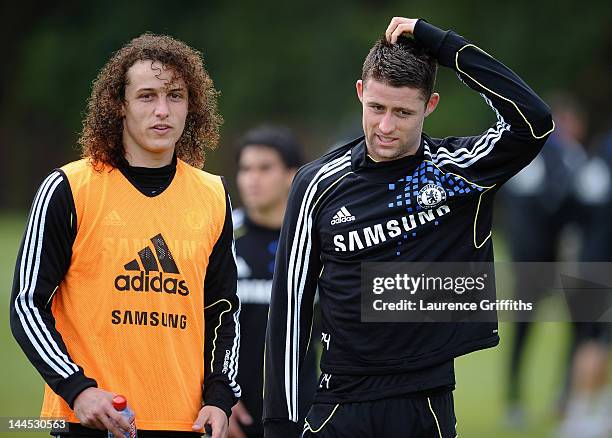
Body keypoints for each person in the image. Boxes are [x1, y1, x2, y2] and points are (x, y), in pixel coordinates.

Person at [263, 17, 554, 438]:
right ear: (360, 93)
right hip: (340, 402)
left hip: (425, 404)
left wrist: (444, 46)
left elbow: (534, 121)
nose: (385, 127)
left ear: (430, 105)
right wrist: (279, 424)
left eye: (403, 112)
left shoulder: (457, 171)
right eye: (376, 108)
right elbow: (290, 308)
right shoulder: (317, 183)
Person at [9, 33, 240, 438]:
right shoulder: (69, 188)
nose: (163, 111)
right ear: (120, 105)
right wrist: (78, 390)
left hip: (184, 423)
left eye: (176, 96)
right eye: (147, 96)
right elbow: (28, 305)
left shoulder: (212, 195)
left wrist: (219, 398)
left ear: (193, 105)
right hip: (92, 420)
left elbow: (222, 311)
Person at [500, 94, 588, 426]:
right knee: (524, 329)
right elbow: (523, 208)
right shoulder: (533, 156)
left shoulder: (576, 159)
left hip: (567, 260)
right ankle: (514, 399)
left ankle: (566, 395)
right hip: (532, 263)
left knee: (581, 328)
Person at [228, 126, 318, 438]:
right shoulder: (220, 237)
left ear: (292, 176)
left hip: (305, 410)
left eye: (265, 168)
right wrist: (216, 395)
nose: (252, 179)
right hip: (231, 412)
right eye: (245, 169)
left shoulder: (315, 240)